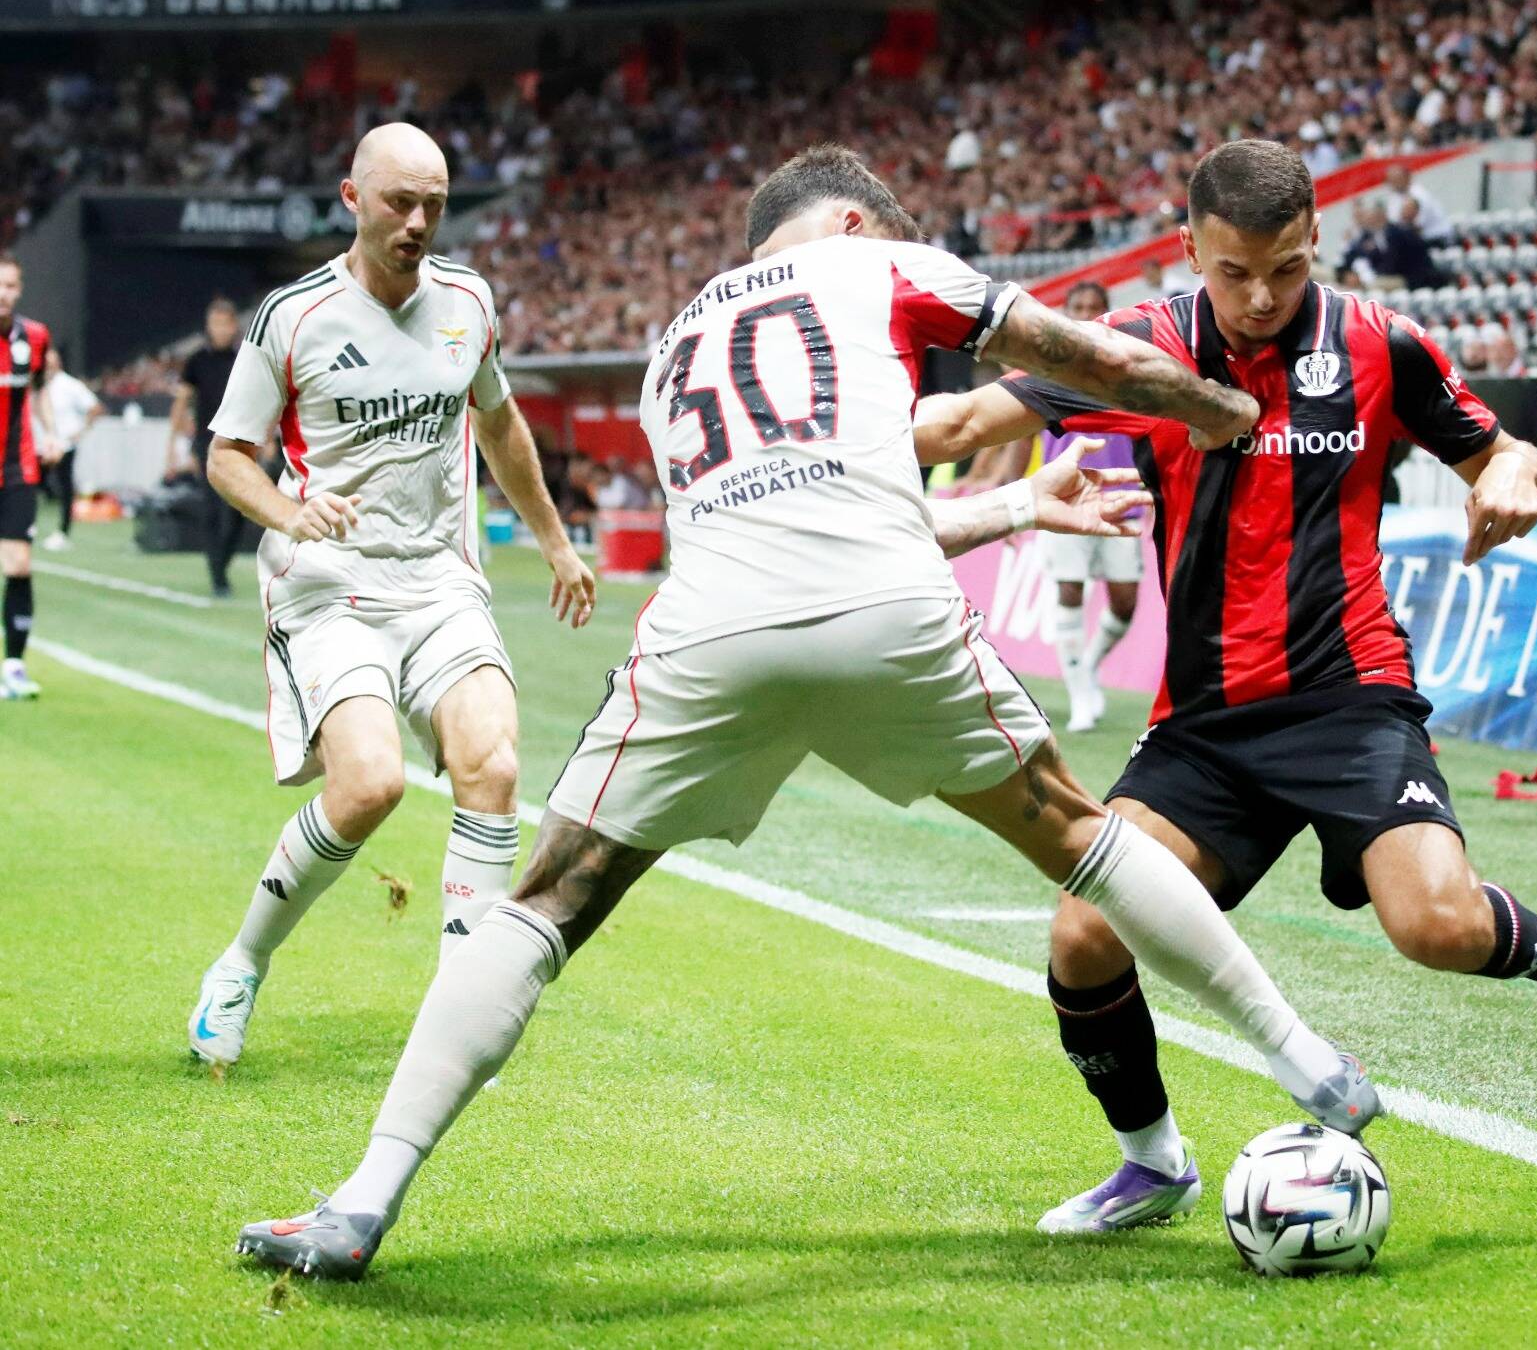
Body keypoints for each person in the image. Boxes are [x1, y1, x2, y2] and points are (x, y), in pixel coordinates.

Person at [237, 144, 1374, 1279]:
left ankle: (362, 1199)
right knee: (1075, 831)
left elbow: (803, 524)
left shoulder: (673, 341)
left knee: (546, 898)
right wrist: (1212, 404)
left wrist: (1019, 500)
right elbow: (1084, 356)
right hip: (886, 613)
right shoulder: (879, 268)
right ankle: (1306, 1060)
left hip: (714, 630)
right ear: (848, 221)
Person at [915, 140, 1537, 1236]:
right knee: (1081, 936)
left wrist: (1512, 475)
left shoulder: (1377, 341)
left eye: (1285, 268)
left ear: (1316, 240)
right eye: (1232, 273)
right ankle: (1152, 1161)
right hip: (1203, 724)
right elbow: (963, 426)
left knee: (1437, 927)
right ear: (1187, 251)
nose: (1261, 298)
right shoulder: (1134, 350)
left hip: (1348, 694)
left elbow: (1505, 453)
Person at [186, 123, 597, 1070]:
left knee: (492, 764)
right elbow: (226, 457)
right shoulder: (291, 318)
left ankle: (461, 1007)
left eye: (435, 206)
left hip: (439, 578)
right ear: (352, 198)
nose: (417, 223)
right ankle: (242, 962)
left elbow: (498, 421)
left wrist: (554, 541)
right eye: (399, 203)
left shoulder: (468, 302)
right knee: (368, 784)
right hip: (330, 585)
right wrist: (290, 512)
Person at [957, 279, 1143, 731]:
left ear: (1105, 309)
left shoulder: (1129, 366)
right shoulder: (1047, 370)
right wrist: (1009, 502)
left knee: (1124, 603)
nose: (1083, 311)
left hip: (1120, 495)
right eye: (1076, 305)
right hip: (1062, 496)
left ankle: (1087, 666)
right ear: (1066, 311)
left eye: (1092, 305)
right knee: (1070, 591)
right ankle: (1080, 695)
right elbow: (1019, 440)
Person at [172, 299, 254, 597]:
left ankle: (222, 563)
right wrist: (177, 442)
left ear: (234, 326)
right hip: (206, 443)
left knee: (234, 512)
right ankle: (217, 575)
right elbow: (181, 402)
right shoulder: (196, 361)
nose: (219, 329)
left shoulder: (244, 358)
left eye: (225, 323)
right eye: (215, 323)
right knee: (211, 510)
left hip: (239, 443)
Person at [0, 254, 52, 701]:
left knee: (18, 564)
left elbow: (38, 391)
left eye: (12, 285)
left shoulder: (34, 337)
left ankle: (13, 666)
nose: (5, 293)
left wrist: (51, 433)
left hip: (17, 468)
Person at [35, 343, 100, 550]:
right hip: (38, 445)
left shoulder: (70, 385)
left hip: (64, 445)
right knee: (30, 486)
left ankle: (63, 531)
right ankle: (27, 525)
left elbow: (95, 408)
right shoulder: (35, 383)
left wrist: (80, 432)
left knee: (65, 488)